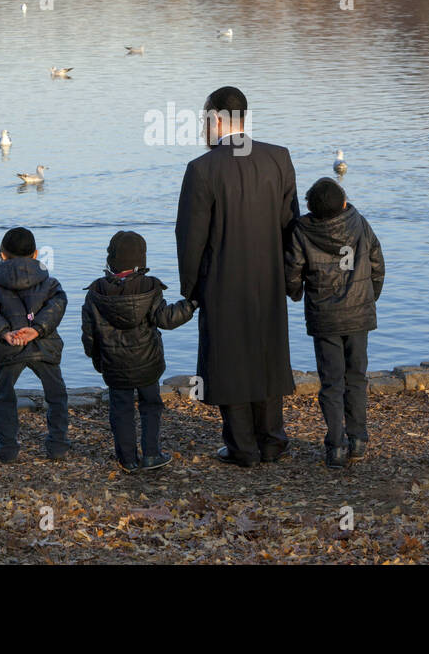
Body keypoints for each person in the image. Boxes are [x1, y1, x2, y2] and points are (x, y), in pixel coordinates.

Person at [175, 85, 299, 467]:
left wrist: (191, 290)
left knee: (228, 361)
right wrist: (291, 279)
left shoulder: (202, 169)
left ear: (215, 118)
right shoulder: (279, 158)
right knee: (267, 354)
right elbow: (291, 227)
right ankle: (272, 440)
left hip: (222, 282)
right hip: (270, 280)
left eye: (202, 119)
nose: (201, 127)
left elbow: (189, 237)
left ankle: (242, 447)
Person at [285, 178, 385, 468]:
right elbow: (378, 264)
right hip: (358, 315)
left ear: (311, 208)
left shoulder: (302, 231)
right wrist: (368, 298)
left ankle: (337, 446)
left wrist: (295, 293)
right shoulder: (359, 222)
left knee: (331, 382)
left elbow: (293, 270)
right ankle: (358, 440)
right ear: (343, 203)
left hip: (324, 317)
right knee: (356, 377)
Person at [81, 230, 196, 471]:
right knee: (150, 407)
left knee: (120, 410)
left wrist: (98, 361)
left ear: (110, 259)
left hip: (114, 365)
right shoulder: (150, 287)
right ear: (141, 260)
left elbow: (89, 334)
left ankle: (127, 459)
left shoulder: (96, 292)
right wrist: (191, 303)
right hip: (148, 364)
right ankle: (152, 454)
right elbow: (167, 319)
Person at [0, 227, 69, 463]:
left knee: (4, 396)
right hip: (44, 345)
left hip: (10, 347)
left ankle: (8, 449)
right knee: (56, 395)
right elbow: (58, 305)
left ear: (3, 255)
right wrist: (37, 329)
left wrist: (5, 333)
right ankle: (58, 445)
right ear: (35, 254)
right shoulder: (50, 283)